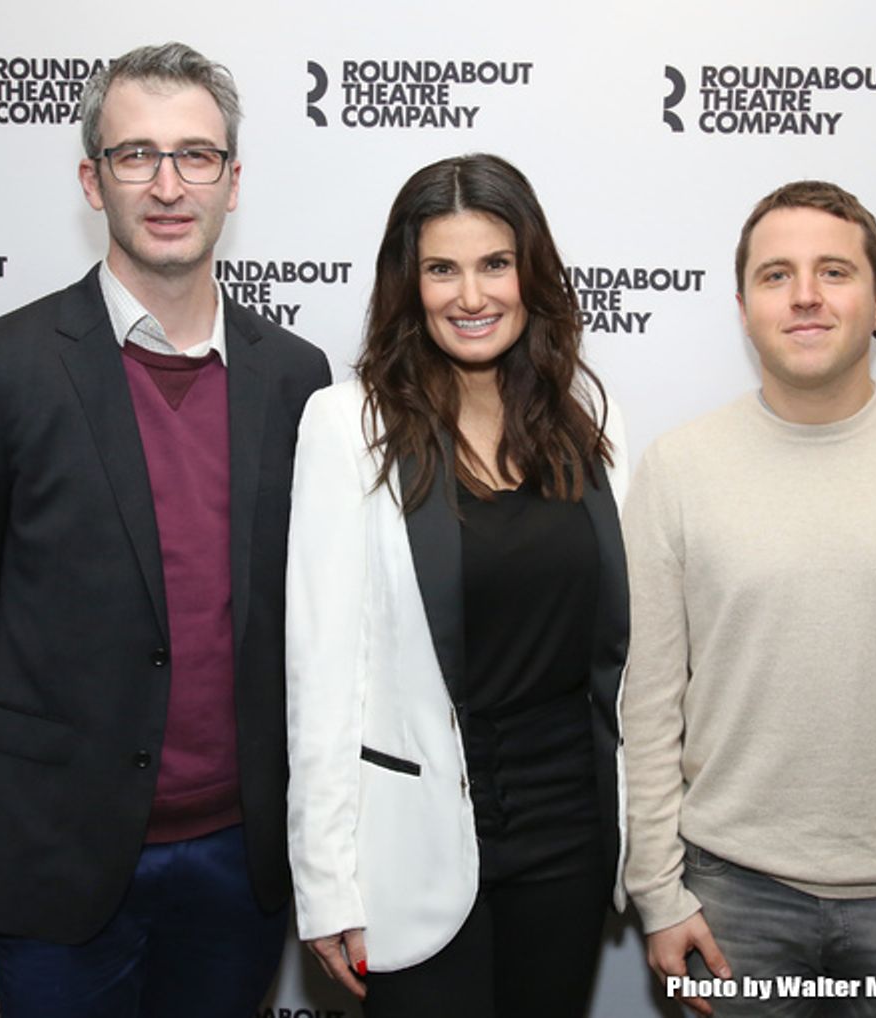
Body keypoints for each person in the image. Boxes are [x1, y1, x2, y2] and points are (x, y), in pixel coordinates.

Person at [0, 42, 330, 1018]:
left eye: (196, 156)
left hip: (240, 858)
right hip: (55, 850)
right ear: (93, 179)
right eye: (137, 155)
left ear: (233, 181)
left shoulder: (296, 376)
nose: (168, 184)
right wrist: (39, 768)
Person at [622, 180, 876, 1018]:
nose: (806, 295)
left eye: (835, 272)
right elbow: (647, 708)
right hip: (729, 900)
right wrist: (658, 894)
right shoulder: (677, 468)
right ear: (742, 306)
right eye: (777, 275)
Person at [285, 153, 629, 1018]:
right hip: (416, 849)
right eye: (442, 268)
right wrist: (327, 884)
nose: (471, 296)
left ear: (531, 275)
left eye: (494, 265)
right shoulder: (347, 424)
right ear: (410, 283)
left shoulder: (590, 420)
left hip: (570, 834)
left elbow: (631, 653)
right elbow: (321, 676)